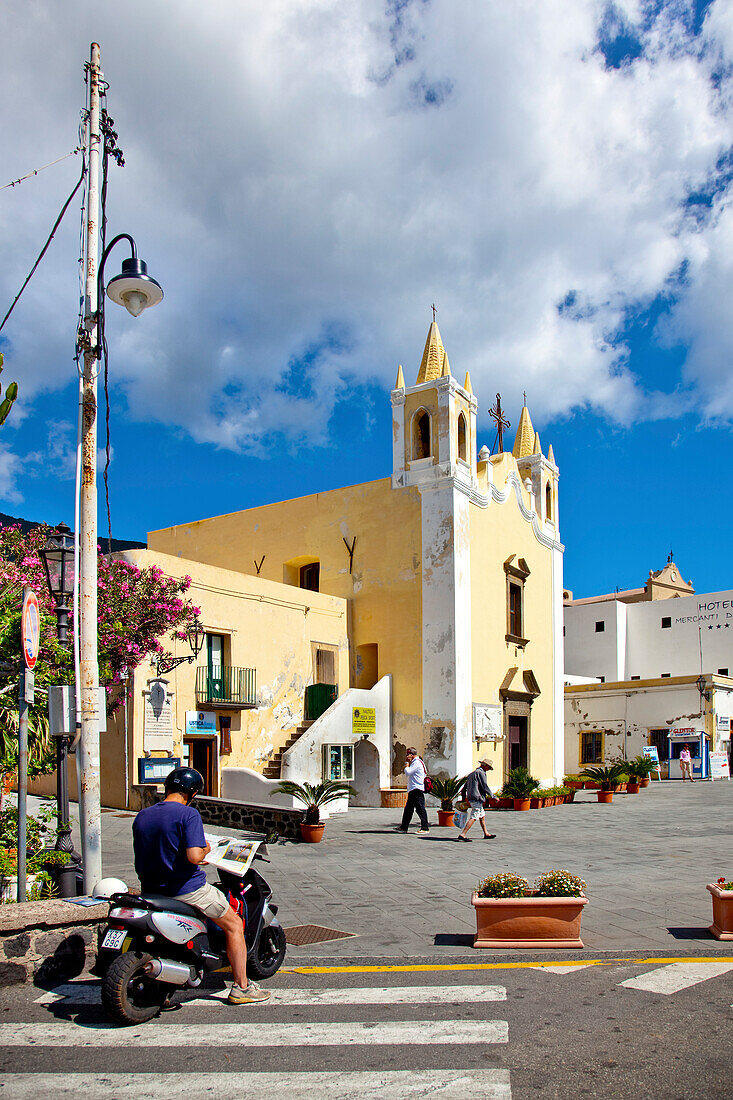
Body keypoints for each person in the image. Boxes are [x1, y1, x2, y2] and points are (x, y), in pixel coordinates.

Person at [132, 766, 270, 1006]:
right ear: (193, 793)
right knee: (235, 924)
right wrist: (206, 848)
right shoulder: (188, 815)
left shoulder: (143, 814)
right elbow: (195, 856)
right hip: (187, 889)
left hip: (152, 889)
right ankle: (242, 987)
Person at [457, 760, 497, 842]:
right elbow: (484, 786)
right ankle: (463, 834)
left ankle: (486, 833)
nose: (488, 769)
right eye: (488, 767)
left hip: (471, 797)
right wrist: (493, 796)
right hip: (477, 798)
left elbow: (465, 787)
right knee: (474, 816)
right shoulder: (481, 773)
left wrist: (463, 797)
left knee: (482, 816)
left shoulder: (472, 774)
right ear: (485, 765)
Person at [395, 748, 430, 835]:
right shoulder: (417, 762)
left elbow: (408, 772)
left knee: (420, 809)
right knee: (408, 809)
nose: (407, 757)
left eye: (408, 755)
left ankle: (425, 827)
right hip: (414, 789)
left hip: (416, 789)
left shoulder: (417, 763)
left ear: (411, 755)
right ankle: (404, 827)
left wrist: (406, 764)